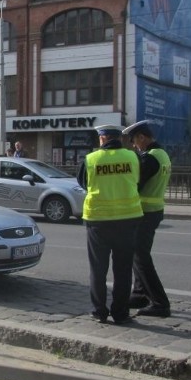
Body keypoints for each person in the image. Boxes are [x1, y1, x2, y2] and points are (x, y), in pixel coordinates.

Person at [76, 124, 143, 325]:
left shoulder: (91, 159)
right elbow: (138, 180)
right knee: (123, 270)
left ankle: (99, 311)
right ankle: (121, 313)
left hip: (98, 221)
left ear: (102, 139)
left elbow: (82, 183)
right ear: (120, 139)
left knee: (98, 269)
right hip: (127, 219)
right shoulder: (133, 157)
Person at [124, 120, 173, 318]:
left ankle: (160, 302)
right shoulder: (161, 154)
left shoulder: (150, 158)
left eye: (135, 141)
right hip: (154, 210)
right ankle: (139, 294)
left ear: (142, 137)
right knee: (138, 255)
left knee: (140, 257)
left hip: (146, 212)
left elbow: (135, 184)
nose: (135, 146)